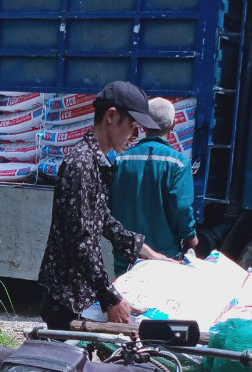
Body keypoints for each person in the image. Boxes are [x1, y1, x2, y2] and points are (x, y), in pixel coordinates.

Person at [38, 81, 175, 331]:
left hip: (83, 293)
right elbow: (80, 241)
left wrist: (146, 252)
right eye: (133, 127)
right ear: (112, 116)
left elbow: (102, 219)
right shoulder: (81, 164)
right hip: (66, 298)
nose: (135, 137)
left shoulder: (98, 162)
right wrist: (112, 298)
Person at [110, 97, 197, 275]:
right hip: (164, 257)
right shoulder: (179, 163)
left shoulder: (119, 160)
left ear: (142, 125)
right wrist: (190, 237)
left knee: (125, 301)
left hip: (126, 255)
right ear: (172, 126)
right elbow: (182, 207)